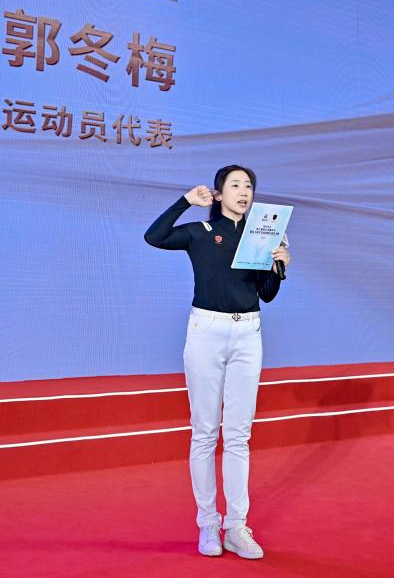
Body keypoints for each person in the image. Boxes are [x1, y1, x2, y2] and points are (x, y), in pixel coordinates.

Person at [143, 165, 291, 559]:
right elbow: (154, 237)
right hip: (207, 332)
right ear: (220, 193)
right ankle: (208, 523)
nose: (244, 192)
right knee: (205, 432)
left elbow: (266, 294)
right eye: (235, 185)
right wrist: (184, 202)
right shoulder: (200, 232)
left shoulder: (261, 236)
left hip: (248, 334)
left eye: (249, 186)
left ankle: (237, 527)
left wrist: (279, 264)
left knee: (239, 435)